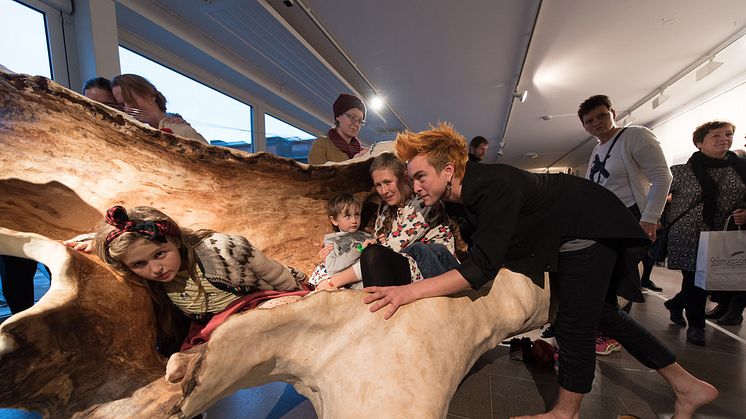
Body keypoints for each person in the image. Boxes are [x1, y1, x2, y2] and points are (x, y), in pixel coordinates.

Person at [363, 122, 718, 419]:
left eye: (420, 176)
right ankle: (687, 386)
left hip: (587, 229)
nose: (416, 185)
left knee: (574, 322)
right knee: (603, 316)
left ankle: (565, 413)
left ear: (449, 170)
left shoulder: (491, 184)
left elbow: (480, 269)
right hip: (568, 234)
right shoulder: (461, 197)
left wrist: (406, 291)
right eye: (412, 178)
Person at [94, 205, 306, 355]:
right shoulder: (154, 283)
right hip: (216, 325)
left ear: (175, 240)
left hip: (259, 301)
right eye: (139, 264)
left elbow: (273, 272)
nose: (156, 269)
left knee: (282, 310)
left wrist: (299, 293)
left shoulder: (222, 248)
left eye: (160, 254)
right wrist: (94, 246)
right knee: (187, 357)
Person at [315, 153, 457, 290]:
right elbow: (376, 243)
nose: (383, 191)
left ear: (403, 178)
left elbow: (386, 251)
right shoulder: (386, 206)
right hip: (402, 266)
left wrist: (334, 281)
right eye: (378, 185)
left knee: (373, 257)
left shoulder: (423, 202)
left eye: (388, 182)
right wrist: (333, 251)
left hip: (433, 267)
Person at [664, 121, 746, 345]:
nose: (723, 139)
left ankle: (676, 303)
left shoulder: (741, 169)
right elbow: (659, 196)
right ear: (699, 142)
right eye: (716, 135)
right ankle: (697, 326)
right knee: (695, 280)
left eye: (727, 135)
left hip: (725, 236)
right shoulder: (680, 172)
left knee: (707, 281)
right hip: (689, 235)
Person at [580, 95, 671, 293]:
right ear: (585, 127)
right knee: (604, 280)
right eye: (589, 121)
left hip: (629, 217)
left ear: (613, 114)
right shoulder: (597, 149)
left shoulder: (635, 136)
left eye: (601, 116)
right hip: (606, 221)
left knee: (615, 282)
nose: (596, 123)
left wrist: (649, 218)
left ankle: (612, 320)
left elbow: (662, 177)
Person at [111, 74, 208, 144]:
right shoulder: (138, 135)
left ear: (150, 94)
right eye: (122, 104)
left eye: (131, 100)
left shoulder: (181, 132)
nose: (127, 109)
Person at [308, 193, 375, 288]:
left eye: (357, 214)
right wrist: (358, 250)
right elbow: (332, 268)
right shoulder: (332, 241)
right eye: (347, 216)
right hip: (353, 288)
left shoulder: (367, 236)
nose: (354, 220)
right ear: (334, 220)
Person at [308, 93, 368, 164]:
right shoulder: (323, 144)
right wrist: (353, 163)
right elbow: (316, 174)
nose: (356, 124)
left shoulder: (361, 152)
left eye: (360, 121)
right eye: (352, 117)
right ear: (338, 116)